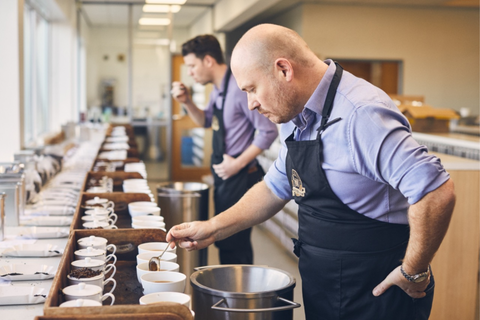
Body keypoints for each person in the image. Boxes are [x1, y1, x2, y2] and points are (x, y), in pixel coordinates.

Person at [167, 24, 455, 319]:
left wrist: (414, 271)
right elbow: (274, 188)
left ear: (283, 70)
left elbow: (435, 191)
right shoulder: (295, 114)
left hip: (374, 294)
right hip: (325, 287)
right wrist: (212, 228)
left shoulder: (360, 114)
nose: (251, 104)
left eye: (253, 89)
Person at [170, 34, 278, 265]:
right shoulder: (218, 90)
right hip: (225, 175)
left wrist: (237, 163)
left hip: (241, 175)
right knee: (225, 242)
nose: (189, 72)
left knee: (234, 243)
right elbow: (205, 121)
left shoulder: (240, 89)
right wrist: (187, 101)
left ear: (208, 60)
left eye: (191, 66)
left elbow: (269, 131)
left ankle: (239, 294)